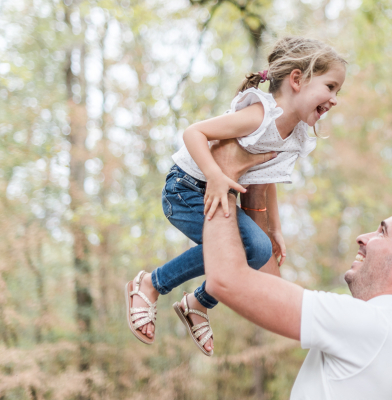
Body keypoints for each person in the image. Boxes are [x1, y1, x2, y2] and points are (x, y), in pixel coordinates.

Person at [124, 36, 347, 355]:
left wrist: (276, 229)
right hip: (186, 190)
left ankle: (197, 303)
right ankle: (153, 284)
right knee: (249, 247)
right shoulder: (260, 115)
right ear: (297, 80)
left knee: (257, 249)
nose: (335, 98)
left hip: (218, 192)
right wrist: (215, 175)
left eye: (338, 91)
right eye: (330, 87)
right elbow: (194, 133)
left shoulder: (295, 134)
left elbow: (266, 179)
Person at [202, 139, 392, 400]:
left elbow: (225, 280)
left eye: (382, 233)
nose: (362, 237)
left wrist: (223, 178)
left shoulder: (372, 326)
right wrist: (257, 197)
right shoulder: (390, 335)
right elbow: (267, 291)